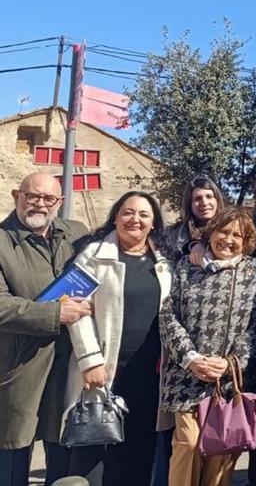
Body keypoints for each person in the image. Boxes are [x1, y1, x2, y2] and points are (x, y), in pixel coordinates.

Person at [63, 191, 174, 486]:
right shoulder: (94, 255)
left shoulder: (165, 263)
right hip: (104, 370)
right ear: (116, 216)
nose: (134, 219)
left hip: (150, 375)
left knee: (138, 456)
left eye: (143, 215)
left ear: (154, 224)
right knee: (93, 459)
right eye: (128, 212)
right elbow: (76, 311)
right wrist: (89, 361)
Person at [159, 206, 256, 486]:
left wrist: (232, 362)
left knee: (221, 452)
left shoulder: (255, 271)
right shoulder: (186, 266)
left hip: (227, 380)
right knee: (189, 444)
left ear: (246, 242)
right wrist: (190, 358)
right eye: (223, 231)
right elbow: (168, 315)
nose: (228, 240)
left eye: (237, 236)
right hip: (187, 375)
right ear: (211, 232)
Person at [0, 173, 91, 486]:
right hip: (19, 364)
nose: (39, 203)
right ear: (17, 196)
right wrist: (55, 312)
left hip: (67, 364)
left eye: (48, 198)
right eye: (32, 196)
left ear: (60, 202)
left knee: (63, 447)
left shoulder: (77, 234)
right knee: (12, 449)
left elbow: (119, 247)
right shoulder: (0, 241)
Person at [166, 176, 226, 256]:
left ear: (217, 200)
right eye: (197, 198)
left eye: (209, 197)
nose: (204, 203)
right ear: (190, 204)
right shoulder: (173, 234)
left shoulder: (232, 229)